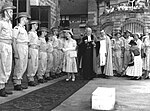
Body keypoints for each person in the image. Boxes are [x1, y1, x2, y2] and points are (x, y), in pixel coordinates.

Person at [0, 3, 16, 97]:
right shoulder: (1, 23)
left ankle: (3, 86)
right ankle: (1, 87)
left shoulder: (9, 23)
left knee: (8, 66)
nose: (12, 13)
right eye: (10, 11)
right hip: (3, 44)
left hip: (9, 45)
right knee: (2, 66)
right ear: (5, 12)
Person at [13, 12, 31, 91]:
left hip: (25, 47)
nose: (27, 20)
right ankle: (16, 82)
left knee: (24, 64)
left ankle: (19, 81)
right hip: (19, 46)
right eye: (26, 19)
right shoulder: (17, 28)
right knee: (19, 64)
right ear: (22, 19)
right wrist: (15, 52)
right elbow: (14, 40)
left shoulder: (24, 29)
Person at [27, 20, 40, 86]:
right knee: (31, 64)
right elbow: (28, 43)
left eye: (37, 25)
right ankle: (30, 79)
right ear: (32, 25)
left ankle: (33, 77)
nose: (37, 26)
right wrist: (28, 52)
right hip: (32, 48)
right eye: (35, 25)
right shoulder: (30, 33)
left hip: (36, 49)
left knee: (35, 64)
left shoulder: (35, 33)